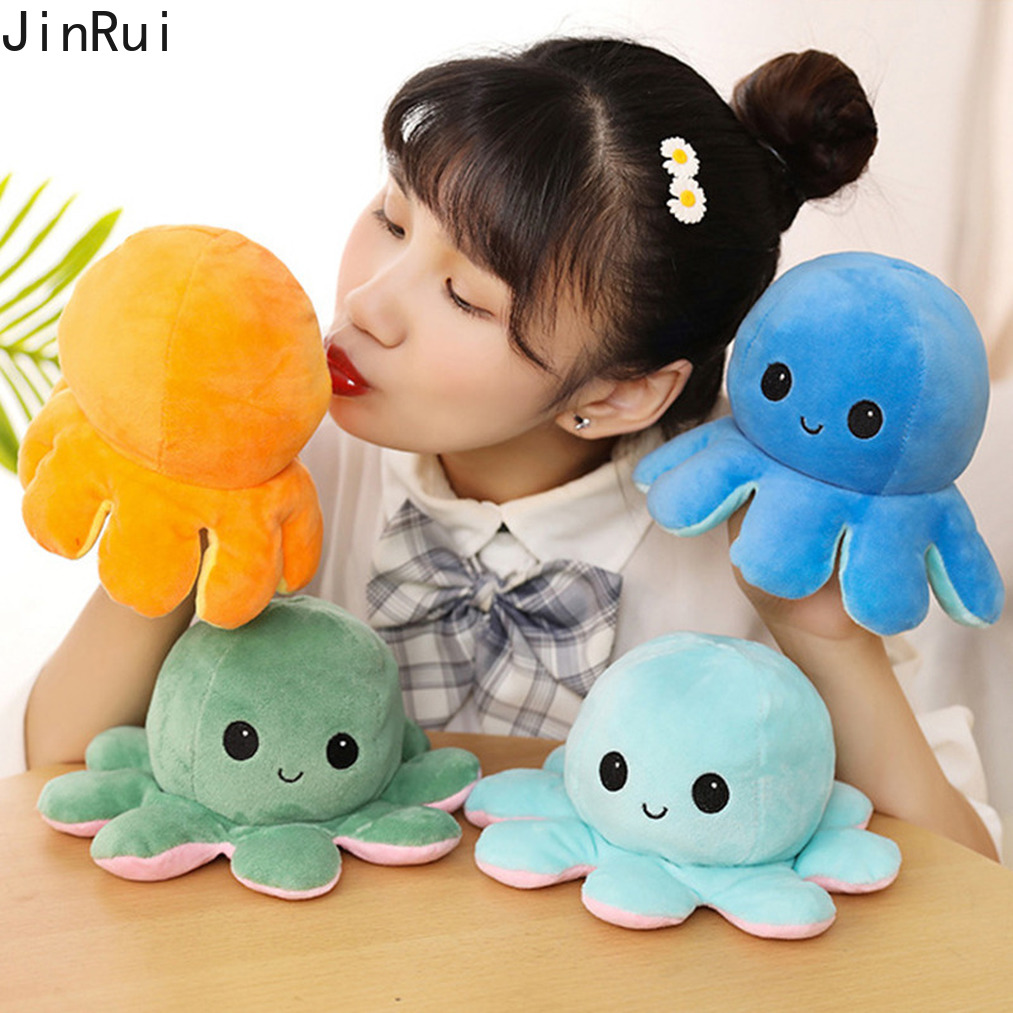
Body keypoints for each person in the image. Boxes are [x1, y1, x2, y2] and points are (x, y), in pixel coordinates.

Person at [24, 37, 1000, 859]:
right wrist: (178, 514)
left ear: (617, 394)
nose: (367, 303)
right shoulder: (286, 456)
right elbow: (54, 769)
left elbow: (962, 884)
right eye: (391, 217)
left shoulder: (754, 535)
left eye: (464, 297)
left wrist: (825, 643)